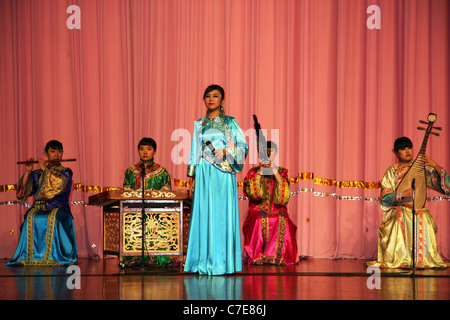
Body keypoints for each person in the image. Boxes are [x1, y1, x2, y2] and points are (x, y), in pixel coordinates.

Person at [184, 84, 248, 275]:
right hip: (204, 173)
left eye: (215, 96)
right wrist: (192, 175)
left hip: (223, 173)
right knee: (204, 213)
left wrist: (228, 151)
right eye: (208, 96)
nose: (211, 99)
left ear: (223, 100)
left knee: (221, 216)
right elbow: (194, 151)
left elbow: (243, 145)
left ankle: (223, 262)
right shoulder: (199, 124)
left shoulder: (230, 122)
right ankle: (201, 261)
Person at [368, 137, 450, 269]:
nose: (407, 151)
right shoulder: (392, 171)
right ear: (395, 152)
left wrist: (434, 165)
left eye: (409, 147)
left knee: (423, 217)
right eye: (402, 148)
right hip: (399, 210)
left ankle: (422, 260)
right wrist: (401, 195)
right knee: (402, 216)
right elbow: (384, 198)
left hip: (418, 209)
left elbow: (447, 187)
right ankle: (403, 258)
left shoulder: (422, 169)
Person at [7, 140, 78, 266]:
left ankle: (56, 257)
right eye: (53, 151)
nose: (56, 155)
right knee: (30, 216)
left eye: (59, 151)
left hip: (59, 208)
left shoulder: (66, 171)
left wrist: (45, 169)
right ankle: (30, 256)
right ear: (46, 154)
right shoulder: (37, 173)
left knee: (54, 218)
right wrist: (28, 171)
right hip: (39, 207)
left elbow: (60, 185)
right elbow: (23, 193)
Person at [242, 141, 298, 265]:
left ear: (275, 153)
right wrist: (260, 173)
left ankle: (280, 257)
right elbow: (255, 195)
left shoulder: (282, 172)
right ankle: (258, 257)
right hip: (258, 210)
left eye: (270, 151)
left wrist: (275, 172)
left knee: (281, 218)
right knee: (258, 220)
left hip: (277, 209)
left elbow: (284, 198)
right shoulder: (253, 172)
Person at [123, 137, 173, 267]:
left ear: (154, 151)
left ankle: (156, 257)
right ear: (138, 151)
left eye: (149, 149)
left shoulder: (161, 172)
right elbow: (126, 189)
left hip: (156, 214)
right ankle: (135, 257)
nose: (145, 152)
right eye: (142, 149)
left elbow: (167, 191)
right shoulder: (131, 171)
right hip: (135, 213)